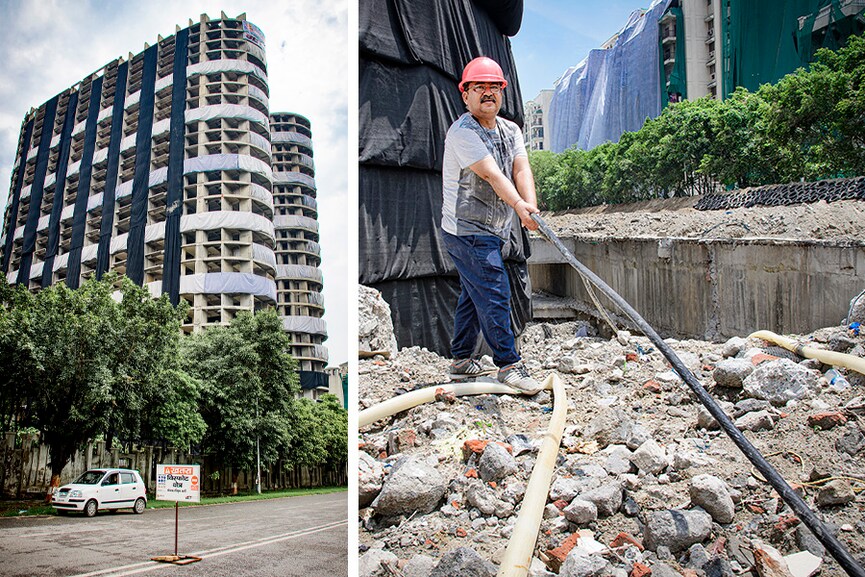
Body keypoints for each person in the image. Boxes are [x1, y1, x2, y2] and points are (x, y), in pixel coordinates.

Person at [440, 56, 541, 394]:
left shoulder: (510, 130)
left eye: (493, 87)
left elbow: (520, 169)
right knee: (494, 291)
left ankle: (460, 360)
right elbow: (491, 174)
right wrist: (519, 207)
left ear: (502, 92)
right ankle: (509, 364)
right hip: (466, 230)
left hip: (492, 229)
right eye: (478, 87)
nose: (487, 93)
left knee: (473, 292)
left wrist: (531, 207)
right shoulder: (462, 133)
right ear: (465, 94)